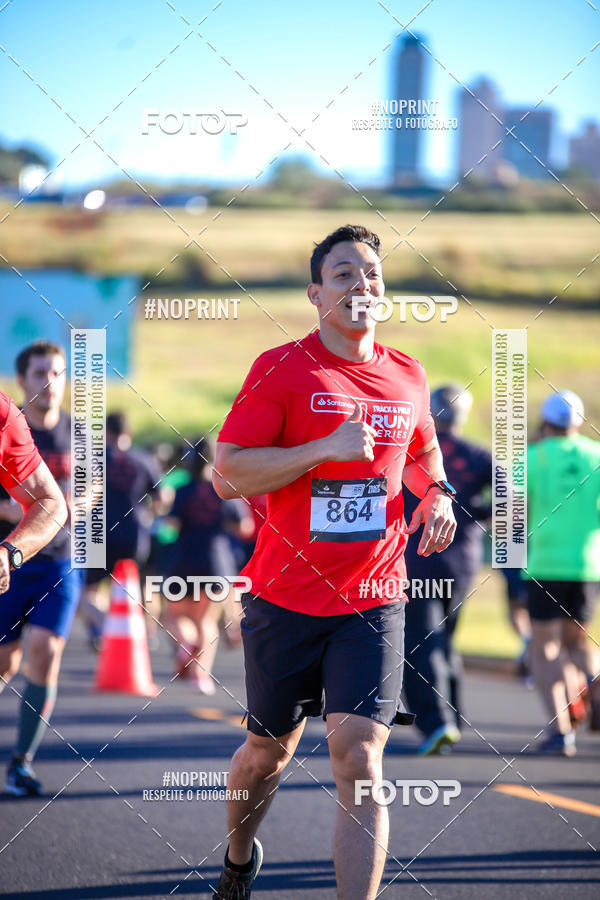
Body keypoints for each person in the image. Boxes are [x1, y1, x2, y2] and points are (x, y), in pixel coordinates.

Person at [211, 224, 456, 899]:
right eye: (343, 273)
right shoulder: (282, 368)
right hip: (285, 596)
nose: (361, 283)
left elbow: (420, 451)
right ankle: (238, 857)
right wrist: (321, 448)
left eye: (371, 272)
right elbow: (227, 475)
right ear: (316, 295)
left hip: (374, 595)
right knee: (267, 755)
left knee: (361, 758)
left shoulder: (408, 373)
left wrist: (437, 493)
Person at [0, 341, 79, 797]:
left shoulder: (81, 434)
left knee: (46, 653)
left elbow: (91, 490)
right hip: (9, 565)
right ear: (22, 380)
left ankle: (21, 762)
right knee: (6, 662)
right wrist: (13, 511)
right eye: (40, 373)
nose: (50, 382)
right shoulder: (12, 424)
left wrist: (74, 505)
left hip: (58, 563)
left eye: (57, 373)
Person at [403, 384, 493, 754]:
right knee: (445, 638)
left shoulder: (413, 450)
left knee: (421, 641)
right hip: (461, 564)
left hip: (418, 558)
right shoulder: (477, 454)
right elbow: (513, 496)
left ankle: (437, 722)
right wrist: (473, 514)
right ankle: (452, 720)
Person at [525, 390, 600, 756]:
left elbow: (510, 512)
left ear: (546, 422)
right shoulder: (595, 456)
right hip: (587, 565)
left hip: (543, 564)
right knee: (578, 644)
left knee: (545, 649)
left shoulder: (532, 457)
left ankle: (561, 733)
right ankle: (595, 684)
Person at [163, 438, 252, 692]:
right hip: (216, 562)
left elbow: (171, 526)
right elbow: (245, 527)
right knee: (206, 620)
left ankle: (187, 643)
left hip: (184, 560)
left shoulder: (183, 491)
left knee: (176, 616)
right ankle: (201, 676)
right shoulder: (224, 488)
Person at [81, 411, 165, 648]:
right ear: (130, 432)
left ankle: (103, 629)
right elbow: (161, 500)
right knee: (137, 586)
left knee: (90, 589)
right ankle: (145, 634)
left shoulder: (95, 458)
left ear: (107, 432)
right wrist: (148, 516)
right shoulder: (145, 460)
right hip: (135, 536)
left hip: (100, 535)